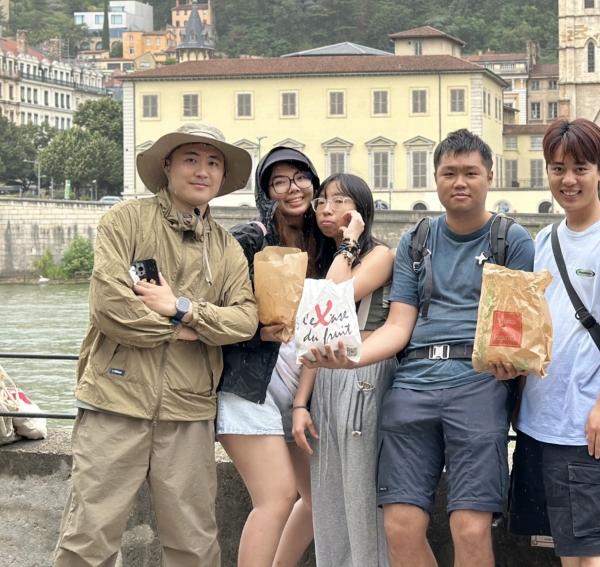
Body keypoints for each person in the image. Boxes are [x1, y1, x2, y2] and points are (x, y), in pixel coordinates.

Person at [307, 129, 534, 567]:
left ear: (490, 177)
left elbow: (513, 328)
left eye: (470, 172)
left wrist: (515, 371)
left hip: (478, 384)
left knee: (470, 529)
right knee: (400, 527)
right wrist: (349, 358)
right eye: (449, 173)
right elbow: (398, 326)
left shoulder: (511, 239)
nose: (460, 182)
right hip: (412, 385)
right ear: (436, 178)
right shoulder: (417, 239)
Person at [54, 123, 259, 567]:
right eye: (191, 159)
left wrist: (183, 309)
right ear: (166, 166)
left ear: (223, 176)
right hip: (114, 399)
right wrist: (183, 329)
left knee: (194, 545)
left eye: (213, 163)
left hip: (189, 408)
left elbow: (245, 320)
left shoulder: (226, 248)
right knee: (88, 538)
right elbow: (109, 307)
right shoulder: (125, 220)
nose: (202, 171)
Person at [511, 118, 600, 566]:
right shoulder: (546, 238)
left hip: (588, 422)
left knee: (595, 552)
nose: (568, 180)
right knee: (567, 552)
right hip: (541, 419)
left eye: (580, 169)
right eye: (558, 169)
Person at [220, 147, 327, 567]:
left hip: (300, 387)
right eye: (279, 181)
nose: (292, 188)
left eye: (300, 177)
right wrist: (254, 330)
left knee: (319, 500)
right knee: (277, 497)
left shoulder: (324, 240)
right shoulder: (248, 238)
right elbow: (213, 308)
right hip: (250, 384)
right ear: (265, 192)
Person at [291, 173, 395, 567]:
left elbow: (332, 304)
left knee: (361, 490)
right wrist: (300, 404)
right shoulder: (332, 260)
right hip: (328, 377)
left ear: (361, 210)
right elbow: (318, 338)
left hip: (365, 375)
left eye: (339, 201)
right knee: (329, 491)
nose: (326, 208)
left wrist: (350, 242)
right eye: (321, 201)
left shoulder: (379, 255)